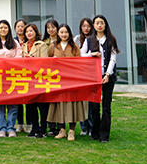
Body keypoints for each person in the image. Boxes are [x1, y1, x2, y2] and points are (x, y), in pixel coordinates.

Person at [82, 15, 120, 143]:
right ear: (93, 25)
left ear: (105, 25)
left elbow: (113, 58)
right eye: (97, 23)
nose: (99, 25)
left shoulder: (111, 39)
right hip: (93, 77)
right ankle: (95, 133)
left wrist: (107, 74)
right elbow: (81, 54)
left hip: (108, 77)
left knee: (106, 106)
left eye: (102, 23)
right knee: (94, 107)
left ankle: (104, 135)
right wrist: (91, 54)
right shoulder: (89, 40)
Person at [46, 24, 86, 141]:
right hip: (58, 81)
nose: (64, 34)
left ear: (69, 33)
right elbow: (47, 63)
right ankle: (62, 130)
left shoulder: (75, 47)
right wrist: (52, 61)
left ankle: (71, 131)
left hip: (71, 81)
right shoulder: (53, 46)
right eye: (62, 32)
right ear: (58, 33)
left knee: (72, 105)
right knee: (59, 105)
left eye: (66, 32)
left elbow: (80, 64)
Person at [0, 20, 22, 138]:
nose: (3, 30)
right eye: (1, 27)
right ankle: (2, 128)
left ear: (9, 29)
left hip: (12, 76)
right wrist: (1, 64)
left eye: (5, 28)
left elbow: (19, 58)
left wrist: (7, 64)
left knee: (13, 103)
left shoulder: (15, 43)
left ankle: (11, 128)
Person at [21, 23, 49, 138]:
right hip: (28, 78)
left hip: (39, 78)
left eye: (31, 31)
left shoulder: (41, 44)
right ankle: (34, 128)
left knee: (42, 106)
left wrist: (32, 60)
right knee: (30, 105)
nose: (29, 33)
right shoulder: (23, 45)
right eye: (27, 31)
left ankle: (43, 129)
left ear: (36, 32)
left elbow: (45, 61)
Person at [74, 17, 95, 135]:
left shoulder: (95, 39)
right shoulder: (77, 39)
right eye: (83, 26)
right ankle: (84, 127)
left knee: (90, 101)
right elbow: (77, 55)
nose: (86, 28)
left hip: (91, 73)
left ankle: (92, 127)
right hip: (79, 73)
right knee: (81, 101)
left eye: (88, 26)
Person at [42, 19, 59, 136]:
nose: (51, 30)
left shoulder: (62, 40)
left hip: (59, 75)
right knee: (48, 102)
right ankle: (51, 126)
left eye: (53, 27)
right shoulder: (43, 42)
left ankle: (60, 125)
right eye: (48, 28)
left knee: (58, 101)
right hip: (47, 75)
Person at [13, 18, 28, 133]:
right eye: (18, 26)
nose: (20, 28)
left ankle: (29, 123)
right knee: (18, 100)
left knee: (28, 99)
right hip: (16, 72)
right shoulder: (13, 41)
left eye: (22, 26)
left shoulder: (30, 40)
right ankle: (20, 124)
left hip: (28, 72)